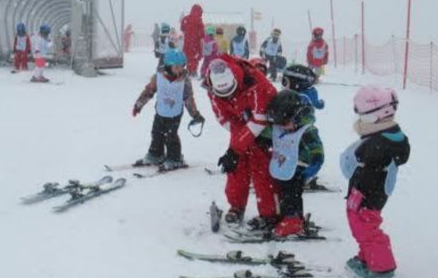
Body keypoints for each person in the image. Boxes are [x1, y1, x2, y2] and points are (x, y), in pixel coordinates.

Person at [340, 86, 410, 278]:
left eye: (362, 115)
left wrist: (360, 156)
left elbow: (365, 161)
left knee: (365, 226)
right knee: (361, 225)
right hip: (367, 190)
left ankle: (382, 266)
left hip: (369, 193)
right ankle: (367, 256)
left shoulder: (379, 143)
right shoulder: (385, 135)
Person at [202, 54, 279, 226]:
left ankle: (269, 214)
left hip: (265, 126)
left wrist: (241, 143)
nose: (226, 96)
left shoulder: (256, 82)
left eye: (229, 91)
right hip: (240, 125)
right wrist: (239, 143)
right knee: (235, 165)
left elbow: (261, 118)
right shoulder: (212, 88)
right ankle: (236, 207)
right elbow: (223, 118)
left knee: (261, 169)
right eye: (222, 93)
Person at [257, 89, 324, 237]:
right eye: (278, 123)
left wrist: (315, 163)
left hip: (300, 167)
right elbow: (269, 134)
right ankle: (285, 215)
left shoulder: (307, 131)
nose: (281, 127)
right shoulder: (281, 125)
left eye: (284, 123)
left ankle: (294, 220)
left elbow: (316, 149)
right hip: (284, 163)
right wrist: (261, 140)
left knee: (292, 193)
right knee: (282, 191)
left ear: (297, 117)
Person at [133, 49, 205, 170]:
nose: (179, 70)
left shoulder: (185, 80)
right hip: (160, 111)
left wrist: (195, 114)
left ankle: (175, 158)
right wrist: (138, 105)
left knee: (171, 136)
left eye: (181, 67)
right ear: (168, 65)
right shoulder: (158, 77)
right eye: (176, 67)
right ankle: (156, 154)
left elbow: (188, 98)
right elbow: (149, 91)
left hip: (175, 113)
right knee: (156, 133)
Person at [180, 4, 205, 75]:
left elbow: (182, 28)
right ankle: (193, 71)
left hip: (187, 42)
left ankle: (188, 70)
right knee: (195, 57)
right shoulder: (199, 20)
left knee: (187, 57)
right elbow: (202, 34)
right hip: (196, 43)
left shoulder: (185, 19)